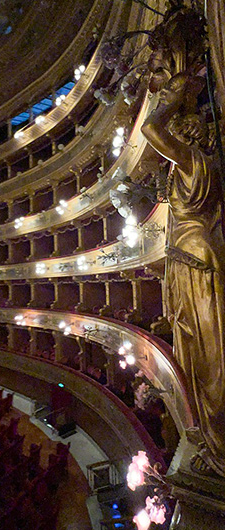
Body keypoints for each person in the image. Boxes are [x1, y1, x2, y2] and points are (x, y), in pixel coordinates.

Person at [141, 72, 225, 476]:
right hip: (187, 258)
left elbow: (150, 128)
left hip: (195, 260)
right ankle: (213, 436)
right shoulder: (192, 166)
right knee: (195, 354)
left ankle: (219, 442)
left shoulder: (194, 161)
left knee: (209, 358)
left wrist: (174, 94)